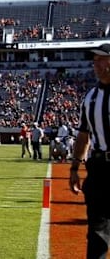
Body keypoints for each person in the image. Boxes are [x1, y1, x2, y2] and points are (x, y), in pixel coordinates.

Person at [70, 43, 110, 259]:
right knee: (96, 231)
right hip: (99, 168)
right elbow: (83, 135)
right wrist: (74, 167)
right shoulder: (90, 98)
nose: (95, 64)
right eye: (94, 60)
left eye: (101, 59)